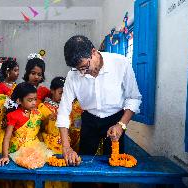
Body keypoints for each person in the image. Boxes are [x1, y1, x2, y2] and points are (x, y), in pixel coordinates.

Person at [56, 35, 142, 167]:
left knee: (114, 166)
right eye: (78, 69)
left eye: (85, 67)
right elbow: (63, 111)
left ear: (94, 52)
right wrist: (66, 147)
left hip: (116, 119)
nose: (82, 73)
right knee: (82, 165)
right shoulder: (73, 75)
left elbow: (133, 98)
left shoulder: (121, 63)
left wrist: (121, 125)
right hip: (89, 120)